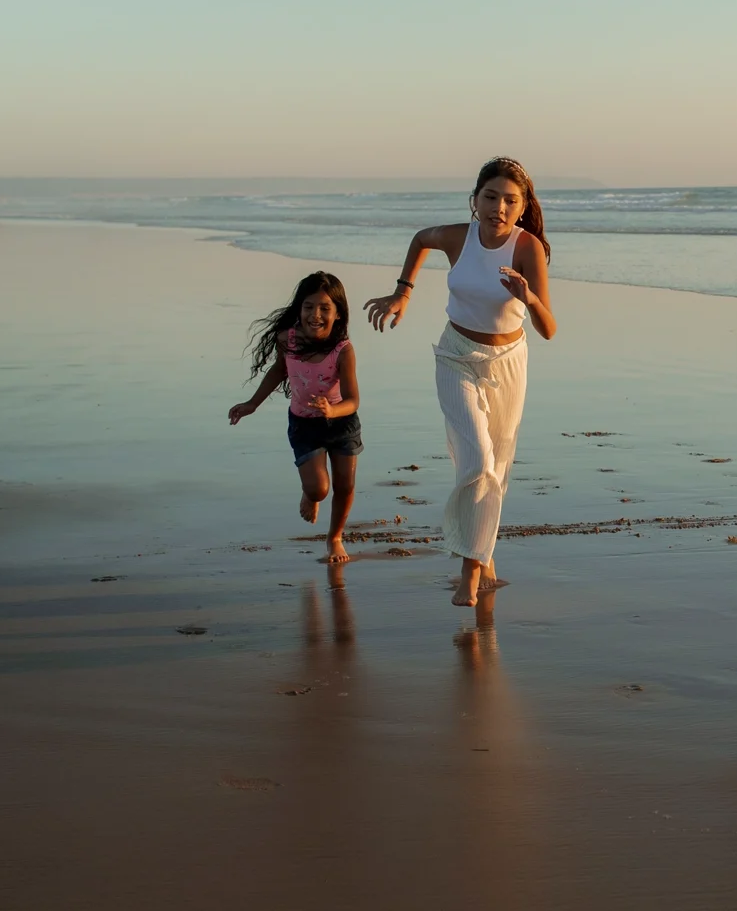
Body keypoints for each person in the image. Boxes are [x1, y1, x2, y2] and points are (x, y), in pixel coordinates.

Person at [362, 157, 557, 607]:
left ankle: (483, 549)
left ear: (523, 206)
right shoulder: (458, 237)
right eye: (491, 197)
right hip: (455, 357)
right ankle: (470, 570)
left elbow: (548, 328)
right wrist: (403, 292)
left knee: (499, 468)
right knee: (476, 461)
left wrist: (528, 296)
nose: (499, 208)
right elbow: (419, 239)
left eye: (511, 200)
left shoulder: (527, 248)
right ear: (475, 200)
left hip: (508, 361)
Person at [229, 271, 362, 563]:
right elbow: (279, 371)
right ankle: (309, 494)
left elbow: (353, 400)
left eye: (325, 308)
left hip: (341, 422)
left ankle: (335, 537)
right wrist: (252, 404)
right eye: (309, 307)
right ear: (299, 309)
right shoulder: (287, 340)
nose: (316, 315)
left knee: (345, 485)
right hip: (304, 424)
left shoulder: (343, 350)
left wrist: (331, 409)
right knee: (319, 489)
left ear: (338, 314)